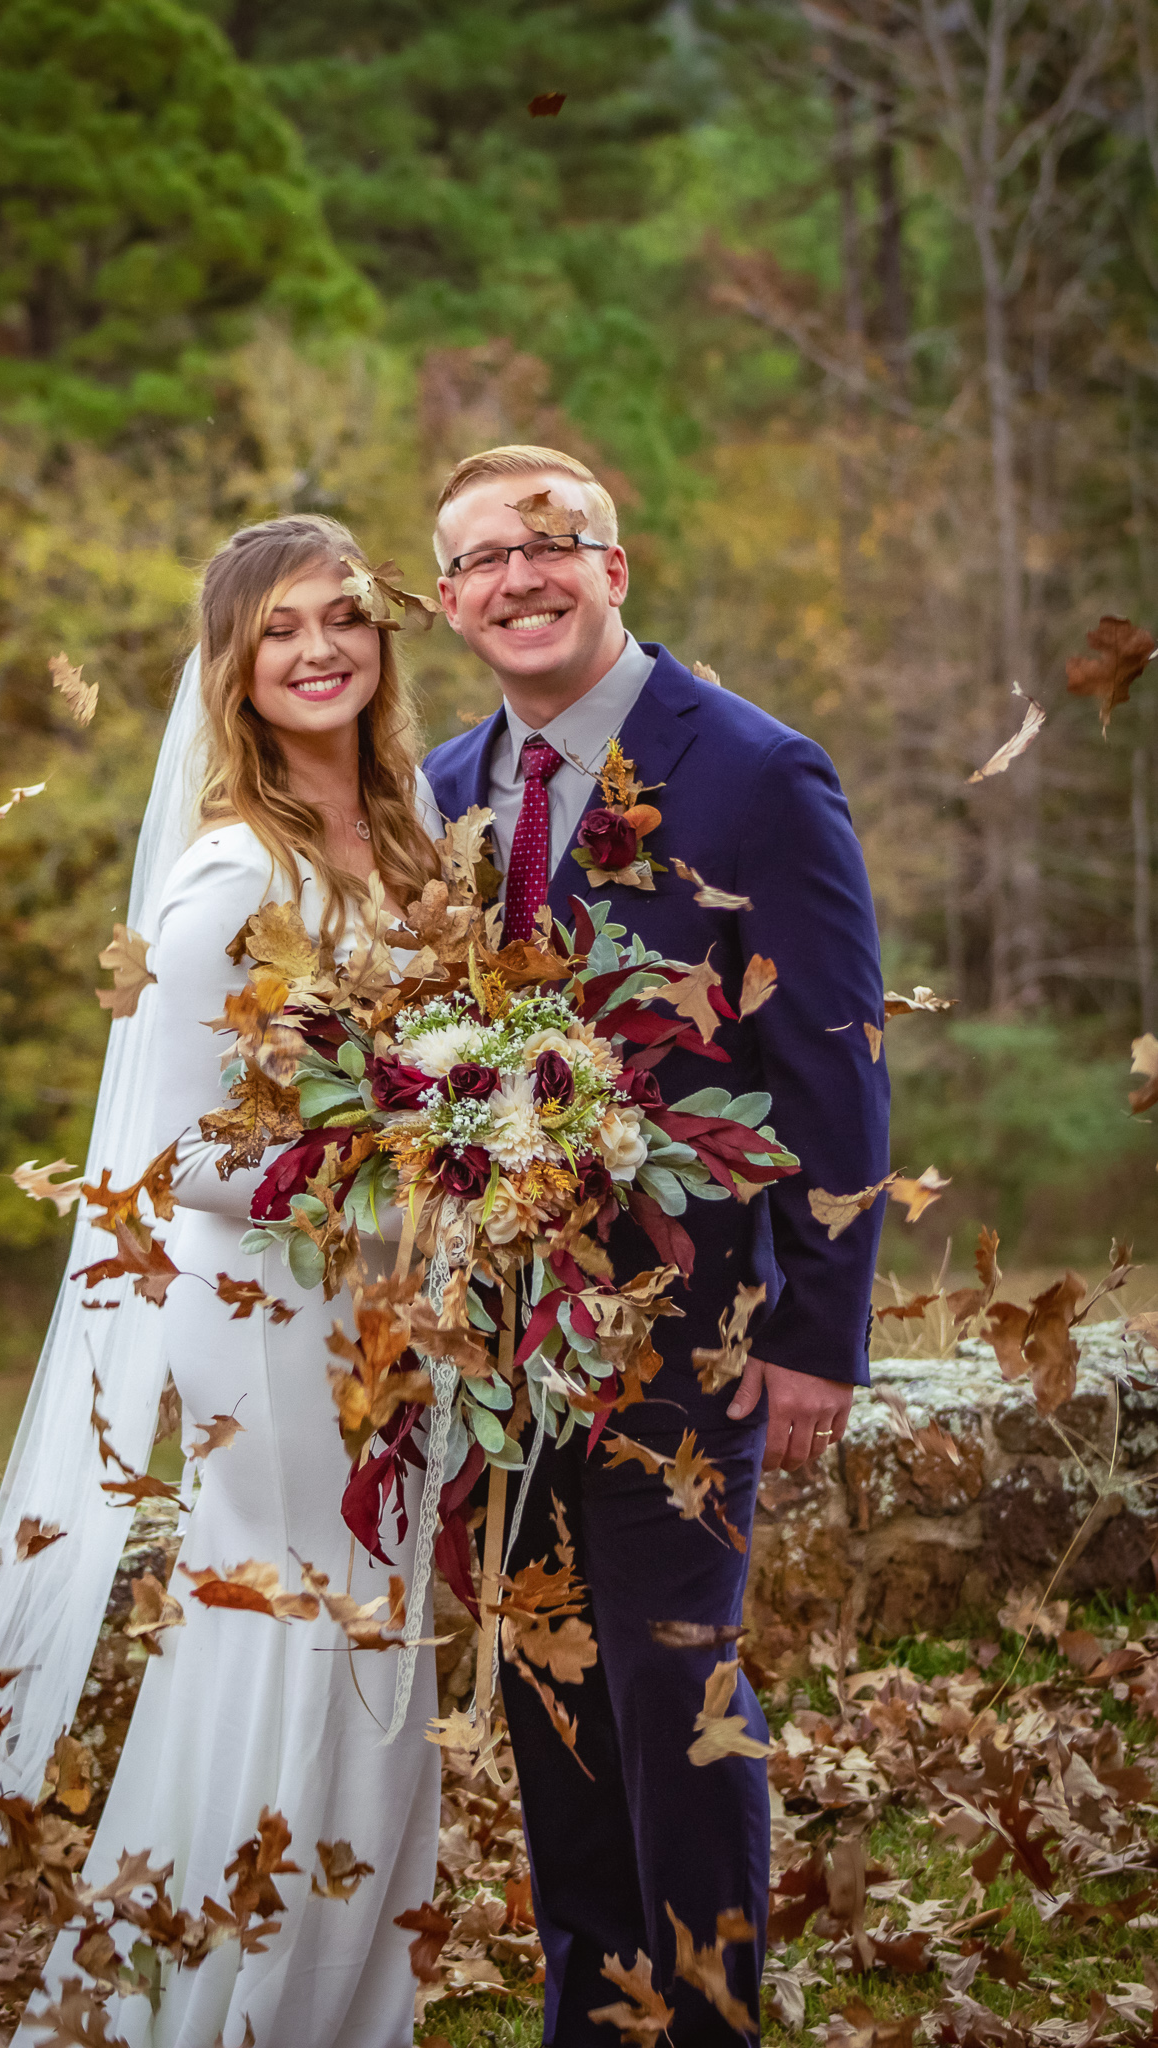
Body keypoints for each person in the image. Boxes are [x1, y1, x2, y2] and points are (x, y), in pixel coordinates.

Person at [0, 515, 444, 2048]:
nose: (322, 649)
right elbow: (166, 1149)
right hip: (262, 1303)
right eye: (281, 631)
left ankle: (337, 1998)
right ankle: (216, 1997)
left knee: (372, 1625)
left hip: (387, 1305)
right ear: (233, 668)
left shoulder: (405, 830)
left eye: (346, 620)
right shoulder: (225, 875)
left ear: (384, 642)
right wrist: (383, 1168)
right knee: (297, 1621)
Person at [423, 446, 890, 2046]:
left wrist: (818, 1333)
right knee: (552, 1686)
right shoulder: (441, 791)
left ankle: (704, 2022)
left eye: (552, 545)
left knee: (672, 1689)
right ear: (448, 602)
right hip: (500, 1343)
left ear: (617, 567)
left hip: (688, 1333)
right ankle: (594, 2014)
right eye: (484, 559)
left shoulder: (757, 769)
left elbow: (832, 1060)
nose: (520, 578)